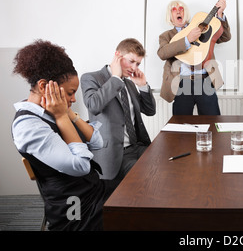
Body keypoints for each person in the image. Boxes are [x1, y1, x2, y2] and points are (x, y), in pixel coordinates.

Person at [11, 39, 112, 230]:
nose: (74, 99)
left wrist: (69, 114)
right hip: (75, 210)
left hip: (92, 191)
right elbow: (81, 166)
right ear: (43, 87)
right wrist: (61, 115)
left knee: (141, 194)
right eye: (70, 93)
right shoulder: (28, 126)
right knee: (143, 213)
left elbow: (98, 142)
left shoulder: (55, 111)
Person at [81, 38, 156, 185]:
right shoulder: (91, 78)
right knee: (145, 175)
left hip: (138, 146)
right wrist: (115, 78)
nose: (134, 68)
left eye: (138, 64)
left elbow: (150, 110)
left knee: (165, 164)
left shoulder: (129, 83)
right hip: (115, 153)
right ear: (117, 55)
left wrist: (142, 86)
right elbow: (93, 106)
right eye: (131, 61)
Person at [157, 0, 231, 115]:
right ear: (170, 17)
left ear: (185, 13)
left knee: (212, 122)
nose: (178, 12)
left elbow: (225, 37)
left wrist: (220, 15)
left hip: (205, 80)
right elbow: (162, 53)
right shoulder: (166, 36)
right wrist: (187, 40)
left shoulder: (201, 27)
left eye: (181, 9)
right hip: (182, 84)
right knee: (181, 126)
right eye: (174, 10)